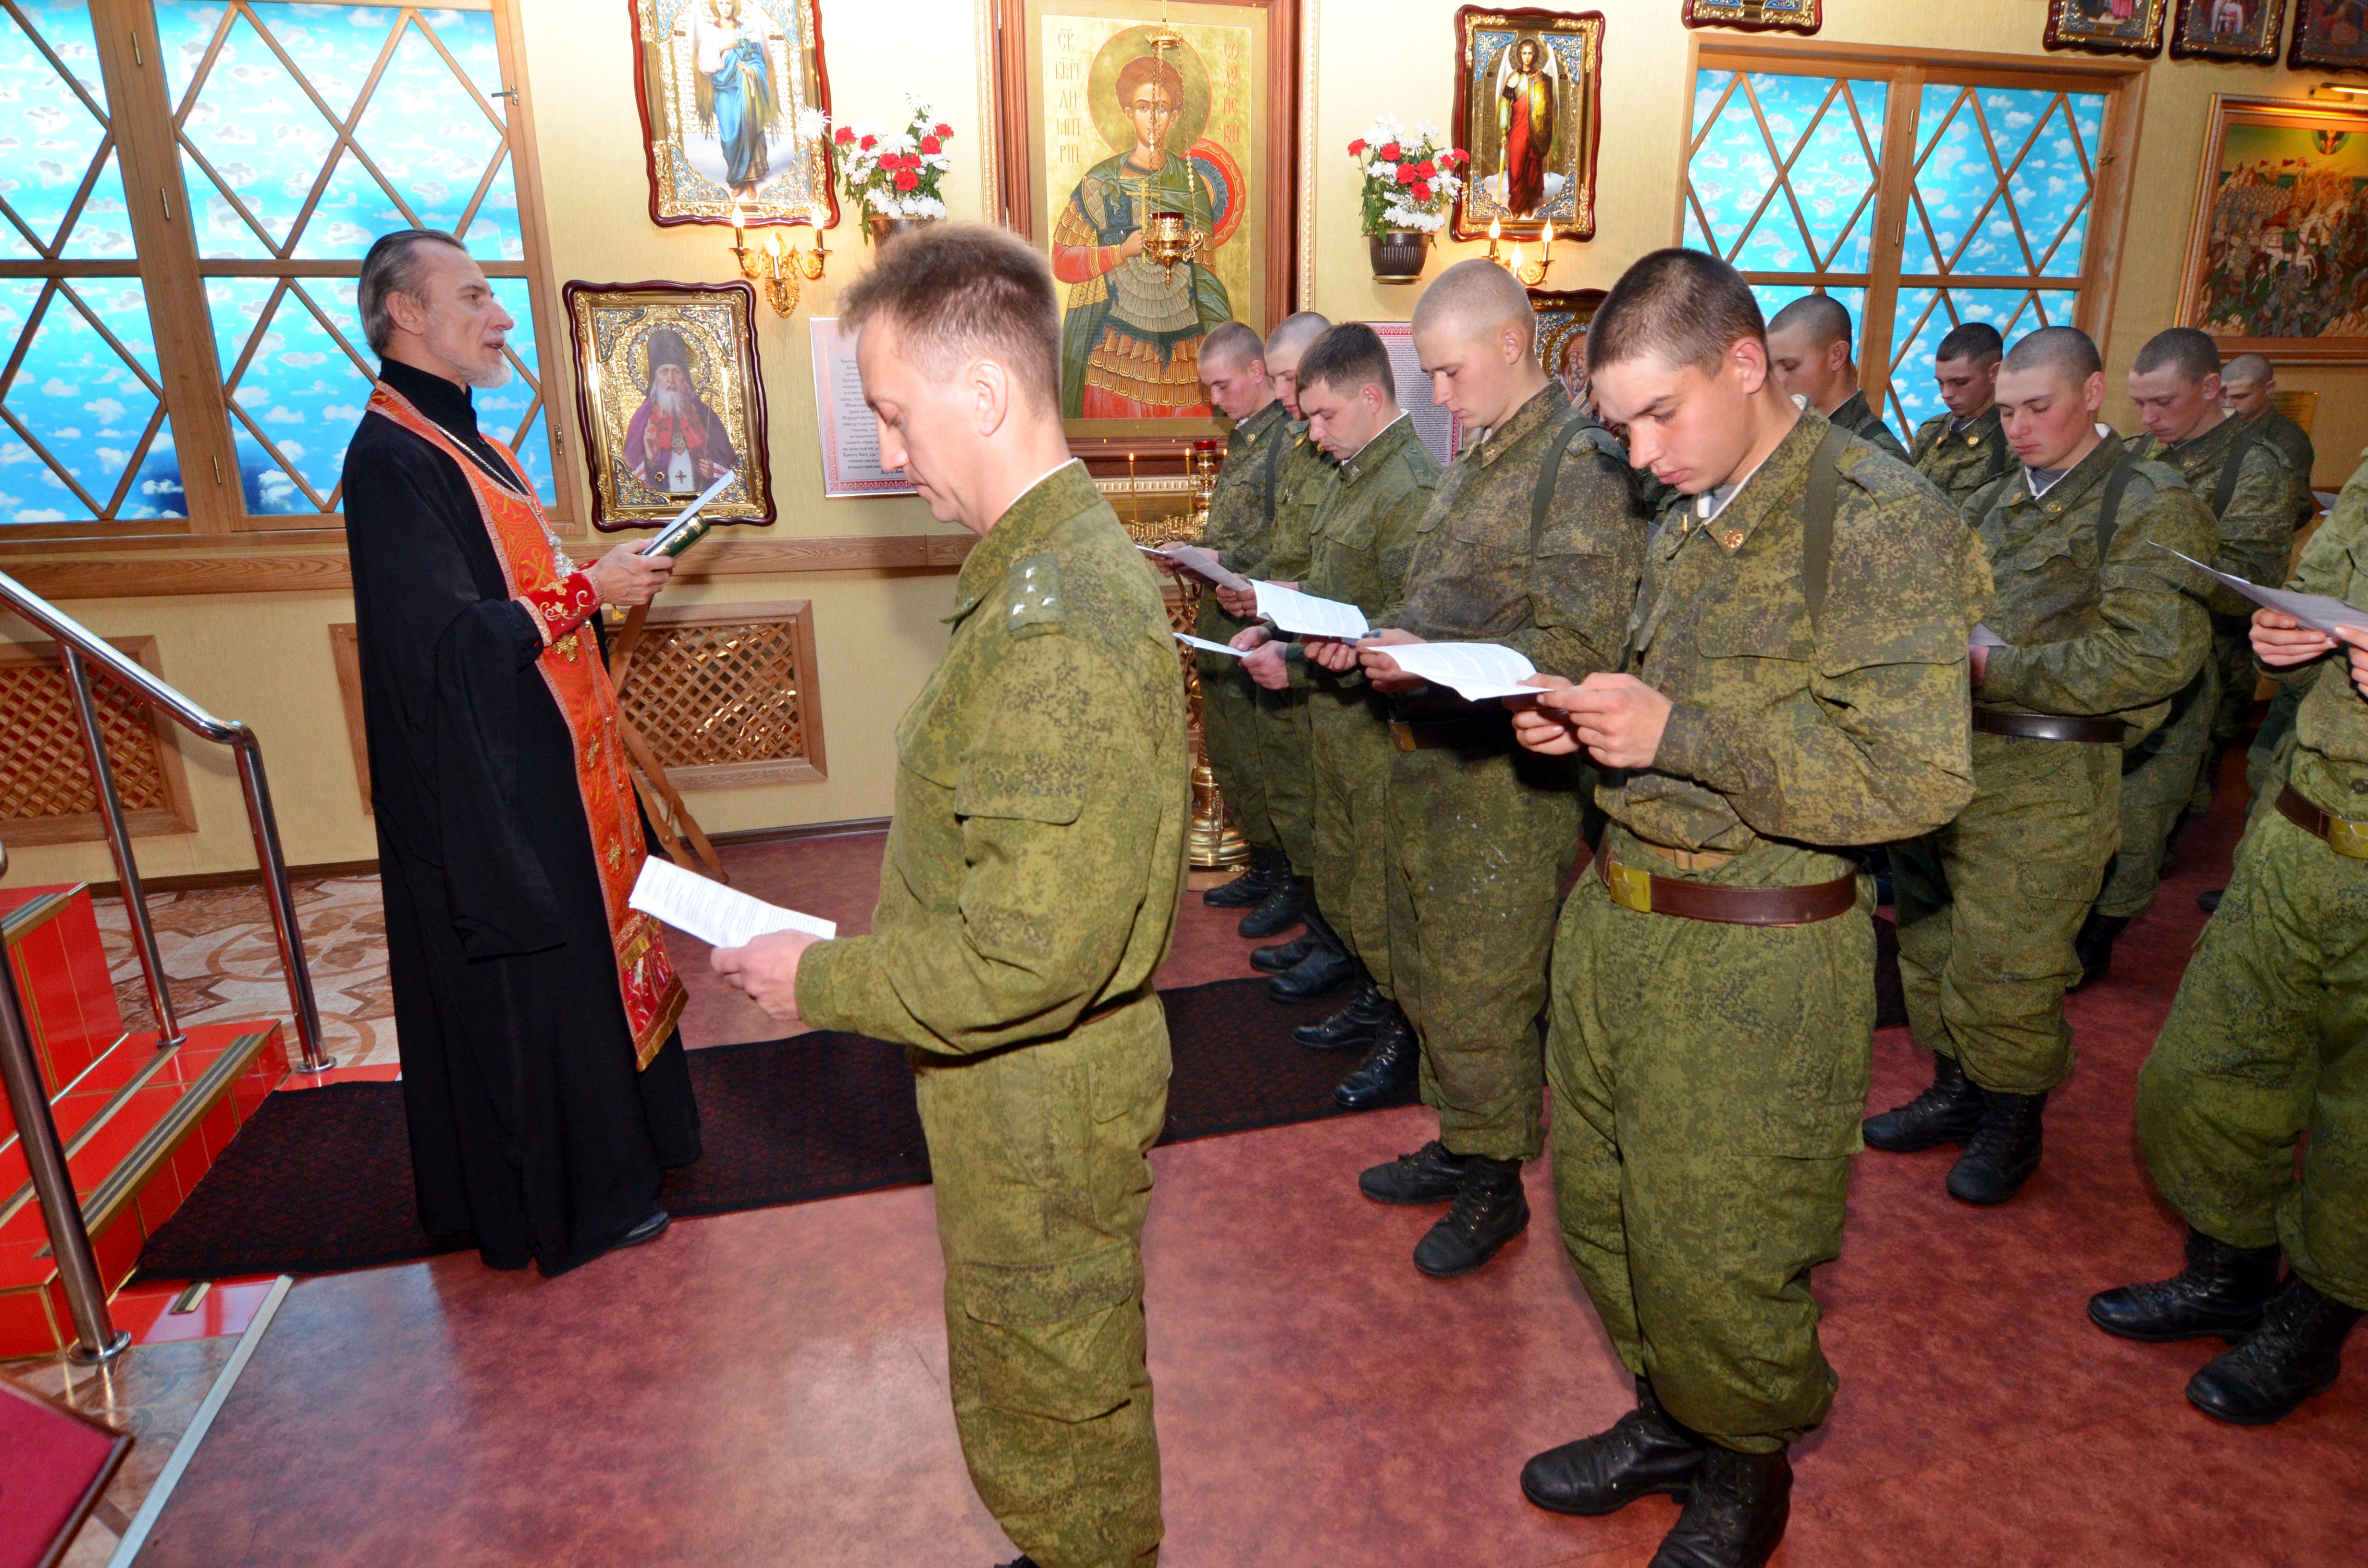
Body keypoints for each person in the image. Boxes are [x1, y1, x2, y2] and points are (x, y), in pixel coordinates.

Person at [711, 224, 1184, 1568]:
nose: (893, 453)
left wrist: (817, 980)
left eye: (896, 416)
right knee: (1038, 1365)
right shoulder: (1049, 574)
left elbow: (1028, 954)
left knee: (1059, 1373)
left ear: (984, 396)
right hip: (1016, 1088)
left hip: (1038, 1092)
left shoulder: (1054, 625)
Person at [1510, 247, 1987, 1568]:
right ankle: (1674, 1418)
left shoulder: (1871, 518)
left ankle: (1746, 1458)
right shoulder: (1698, 500)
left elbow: (1919, 776)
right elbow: (1681, 694)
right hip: (1625, 919)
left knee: (1725, 1244)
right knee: (1609, 1215)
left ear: (1742, 363)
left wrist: (1681, 735)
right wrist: (1596, 721)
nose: (1643, 451)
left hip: (1756, 953)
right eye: (1621, 429)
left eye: (1661, 414)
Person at [342, 228, 699, 1276]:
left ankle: (639, 1148)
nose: (500, 318)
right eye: (474, 296)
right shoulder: (393, 460)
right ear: (404, 314)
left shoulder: (459, 440)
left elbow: (503, 604)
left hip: (540, 755)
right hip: (491, 782)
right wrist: (590, 589)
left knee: (596, 956)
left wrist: (586, 580)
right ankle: (581, 1197)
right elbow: (450, 644)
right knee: (546, 974)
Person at [1870, 327, 2213, 1206]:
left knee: (2008, 965)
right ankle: (1956, 1086)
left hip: (2050, 776)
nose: (2016, 426)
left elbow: (2151, 658)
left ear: (2092, 393)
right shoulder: (1991, 501)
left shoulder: (2144, 502)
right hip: (1948, 757)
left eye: (2038, 408)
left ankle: (2010, 1118)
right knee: (1933, 939)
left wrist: (1999, 667)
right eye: (2009, 409)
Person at [1350, 259, 1644, 1279]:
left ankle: (1495, 1185)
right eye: (1426, 376)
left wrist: (1422, 670)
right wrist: (1397, 638)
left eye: (1447, 372)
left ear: (1511, 344)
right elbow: (1452, 597)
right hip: (1436, 763)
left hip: (1508, 781)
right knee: (1433, 968)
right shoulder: (1481, 458)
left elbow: (1574, 636)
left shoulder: (1579, 468)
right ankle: (1461, 1137)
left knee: (1485, 984)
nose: (1437, 397)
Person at [2087, 451, 2367, 1429]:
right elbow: (2325, 584)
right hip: (2303, 829)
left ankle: (2315, 1319)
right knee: (2199, 1078)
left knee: (2360, 1133)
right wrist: (2287, 630)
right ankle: (2231, 1273)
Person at [1238, 323, 1440, 1062]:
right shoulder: (1359, 475)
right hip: (1337, 715)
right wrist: (1284, 642)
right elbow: (1332, 598)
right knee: (1350, 876)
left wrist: (1301, 655)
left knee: (1383, 894)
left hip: (1381, 731)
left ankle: (1399, 1030)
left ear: (1369, 394)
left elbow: (1412, 625)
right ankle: (1368, 994)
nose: (1314, 434)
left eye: (1324, 416)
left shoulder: (1410, 487)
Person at [2075, 328, 2299, 984]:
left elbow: (2255, 580)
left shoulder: (2254, 468)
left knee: (2144, 810)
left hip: (2190, 665)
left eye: (2163, 403)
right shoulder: (2137, 454)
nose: (2147, 420)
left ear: (2209, 388)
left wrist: (2161, 565)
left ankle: (2102, 934)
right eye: (2139, 403)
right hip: (2109, 652)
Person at [1216, 313, 1353, 986]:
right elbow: (1289, 545)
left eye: (1289, 381)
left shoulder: (1338, 455)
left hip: (1330, 658)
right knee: (1286, 783)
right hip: (1290, 633)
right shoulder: (1302, 447)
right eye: (1276, 381)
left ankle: (1327, 929)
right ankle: (1313, 914)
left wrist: (1266, 595)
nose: (1285, 397)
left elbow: (1331, 569)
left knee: (1321, 806)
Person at [1174, 323, 1296, 926]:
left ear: (1256, 373)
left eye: (1221, 385)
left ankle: (1283, 879)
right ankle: (1261, 865)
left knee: (1263, 756)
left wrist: (1229, 564)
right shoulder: (1247, 438)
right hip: (1222, 614)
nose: (1215, 400)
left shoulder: (1289, 439)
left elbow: (1289, 540)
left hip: (1257, 615)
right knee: (1232, 752)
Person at [1051, 49, 1232, 419]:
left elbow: (1207, 274)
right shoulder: (1099, 183)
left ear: (1176, 115)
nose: (1153, 118)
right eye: (1144, 107)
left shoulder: (1192, 185)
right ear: (1128, 112)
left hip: (1185, 350)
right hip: (1117, 350)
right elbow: (1062, 260)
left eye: (1162, 108)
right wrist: (1120, 251)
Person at [1764, 293, 1910, 463]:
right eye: (1771, 370)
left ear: (1837, 356)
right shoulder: (1791, 433)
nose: (1778, 382)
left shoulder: (1878, 455)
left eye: (1790, 366)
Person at [1907, 321, 2014, 507]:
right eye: (1941, 382)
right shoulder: (1931, 432)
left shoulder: (2012, 440)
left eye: (1960, 382)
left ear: (1995, 372)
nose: (1945, 394)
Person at [624, 328, 739, 496]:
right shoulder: (642, 418)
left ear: (685, 376)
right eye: (664, 371)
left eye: (677, 371)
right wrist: (651, 460)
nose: (671, 379)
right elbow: (627, 481)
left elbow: (733, 469)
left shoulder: (705, 415)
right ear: (655, 379)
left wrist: (713, 470)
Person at [691, 0, 777, 198]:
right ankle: (736, 177)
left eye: (729, 3)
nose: (725, 7)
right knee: (730, 136)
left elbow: (758, 62)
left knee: (747, 130)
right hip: (725, 91)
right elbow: (704, 64)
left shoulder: (747, 31)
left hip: (745, 90)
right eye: (721, 3)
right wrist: (721, 48)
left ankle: (749, 183)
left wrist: (749, 71)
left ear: (735, 6)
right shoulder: (712, 34)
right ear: (716, 7)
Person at [1495, 36, 1556, 217]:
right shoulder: (1513, 78)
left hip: (1535, 131)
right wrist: (1504, 131)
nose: (1527, 57)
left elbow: (1547, 106)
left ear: (1535, 55)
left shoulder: (1542, 79)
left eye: (1530, 53)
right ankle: (1517, 203)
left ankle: (1528, 202)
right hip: (1518, 128)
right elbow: (1505, 105)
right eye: (1524, 53)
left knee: (1532, 165)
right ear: (1520, 55)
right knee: (1516, 164)